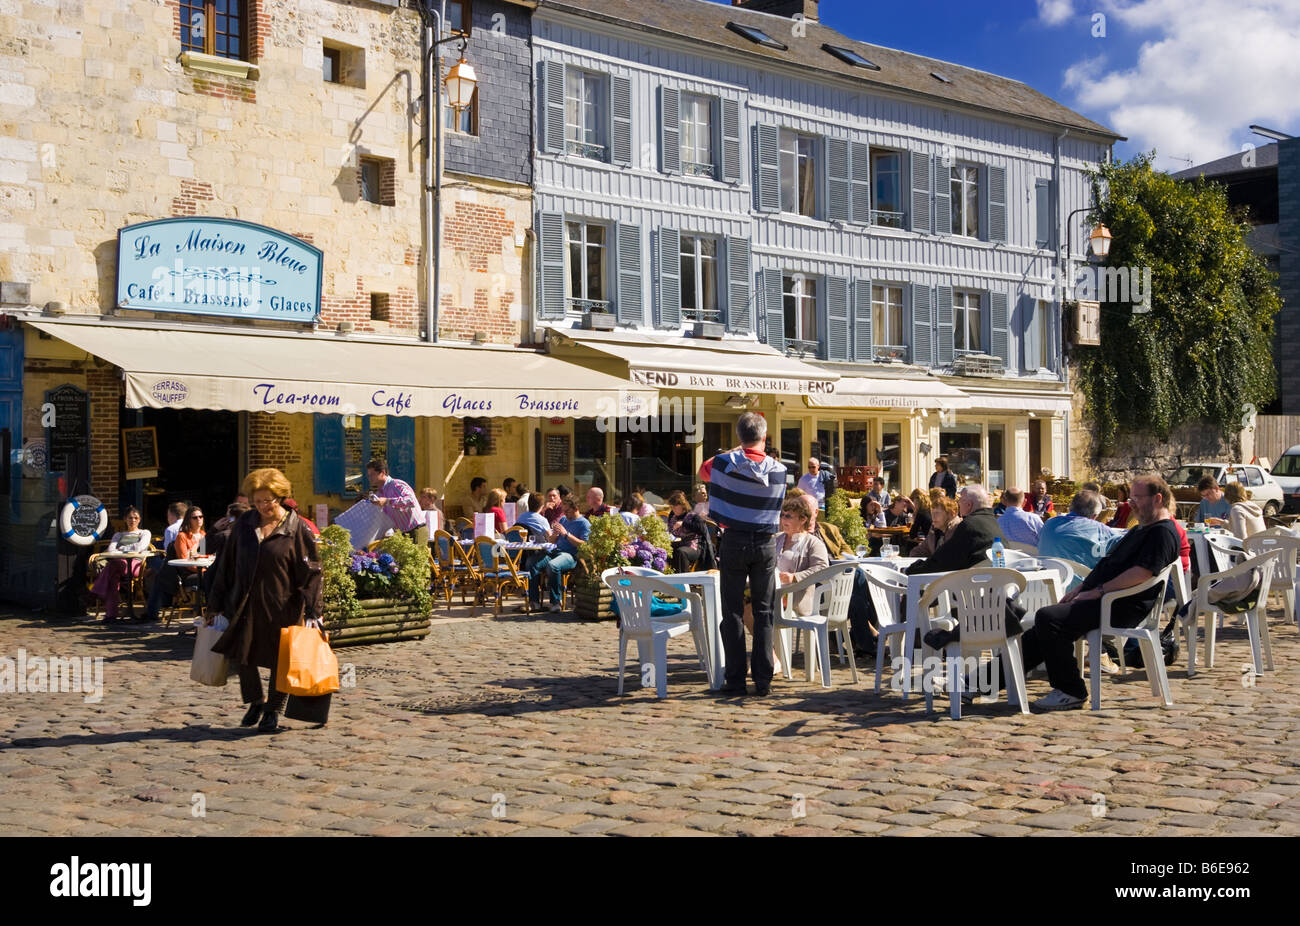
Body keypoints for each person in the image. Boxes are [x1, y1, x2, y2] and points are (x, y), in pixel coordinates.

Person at [1007, 474, 1180, 711]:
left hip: (1120, 604)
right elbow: (1108, 564)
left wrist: (1098, 591)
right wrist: (1080, 588)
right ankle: (981, 682)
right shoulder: (1141, 529)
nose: (1132, 504)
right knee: (1042, 627)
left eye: (1137, 498)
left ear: (1158, 498)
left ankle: (1071, 690)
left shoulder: (1162, 532)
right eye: (1131, 498)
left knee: (1050, 619)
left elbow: (1142, 573)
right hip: (1106, 598)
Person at [207, 468, 323, 734]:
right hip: (244, 601)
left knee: (281, 659)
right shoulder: (245, 525)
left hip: (283, 603)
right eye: (256, 501)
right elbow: (226, 565)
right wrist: (214, 604)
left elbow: (312, 570)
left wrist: (314, 610)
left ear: (280, 497)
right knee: (242, 655)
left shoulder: (297, 527)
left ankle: (273, 710)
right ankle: (256, 701)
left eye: (267, 501)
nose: (262, 507)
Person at [707, 412, 787, 697]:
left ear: (740, 438)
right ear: (764, 437)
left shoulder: (724, 464)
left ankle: (736, 679)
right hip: (765, 542)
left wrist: (736, 449)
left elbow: (704, 470)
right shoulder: (779, 470)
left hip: (734, 539)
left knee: (732, 611)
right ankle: (763, 679)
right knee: (764, 611)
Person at [744, 496, 829, 674]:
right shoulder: (776, 539)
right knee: (742, 607)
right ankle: (772, 656)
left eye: (789, 516)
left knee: (754, 610)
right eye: (782, 516)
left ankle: (767, 658)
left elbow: (822, 568)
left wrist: (795, 577)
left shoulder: (813, 543)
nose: (783, 520)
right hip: (770, 591)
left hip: (795, 597)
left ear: (803, 519)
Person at [905, 485, 999, 576]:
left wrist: (913, 569)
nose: (958, 503)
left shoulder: (969, 525)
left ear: (969, 505)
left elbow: (945, 561)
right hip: (993, 582)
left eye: (960, 500)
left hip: (968, 585)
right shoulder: (994, 523)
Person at [1037, 490, 1125, 573]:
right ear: (1095, 516)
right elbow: (1126, 542)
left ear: (1070, 508)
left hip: (1049, 582)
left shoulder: (1049, 523)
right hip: (1083, 586)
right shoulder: (1099, 529)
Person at [145, 505, 208, 621]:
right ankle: (206, 618)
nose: (199, 520)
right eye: (195, 518)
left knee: (217, 577)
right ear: (188, 520)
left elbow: (204, 555)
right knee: (211, 578)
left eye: (201, 517)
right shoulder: (182, 536)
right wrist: (203, 567)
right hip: (187, 573)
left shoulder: (203, 535)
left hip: (201, 570)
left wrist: (203, 560)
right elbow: (184, 559)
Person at [89, 507, 151, 622]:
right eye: (130, 518)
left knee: (111, 566)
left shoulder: (144, 533)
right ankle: (111, 616)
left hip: (136, 564)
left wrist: (121, 548)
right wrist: (126, 550)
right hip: (118, 564)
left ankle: (96, 592)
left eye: (135, 518)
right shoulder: (118, 535)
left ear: (139, 520)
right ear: (125, 519)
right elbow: (111, 550)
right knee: (113, 578)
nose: (133, 520)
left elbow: (139, 547)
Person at [528, 496, 589, 612]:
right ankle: (534, 602)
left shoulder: (584, 523)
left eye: (567, 511)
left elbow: (584, 545)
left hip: (570, 555)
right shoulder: (563, 520)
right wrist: (554, 534)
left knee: (553, 566)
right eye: (563, 511)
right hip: (555, 551)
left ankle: (556, 602)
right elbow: (552, 541)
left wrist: (566, 534)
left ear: (576, 508)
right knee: (532, 562)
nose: (565, 514)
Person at [366, 458, 424, 545]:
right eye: (369, 475)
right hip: (400, 534)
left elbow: (411, 501)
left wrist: (387, 501)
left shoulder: (397, 485)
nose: (370, 478)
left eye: (372, 474)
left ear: (383, 473)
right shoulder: (379, 493)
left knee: (417, 558)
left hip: (415, 530)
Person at [204, 501, 249, 595]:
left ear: (232, 519)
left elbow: (201, 549)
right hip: (244, 581)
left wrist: (214, 529)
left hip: (220, 581)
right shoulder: (253, 535)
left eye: (227, 516)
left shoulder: (224, 536)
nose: (225, 518)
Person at [665, 489, 710, 572]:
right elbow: (671, 530)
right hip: (683, 543)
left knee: (681, 552)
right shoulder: (673, 515)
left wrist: (684, 523)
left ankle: (684, 579)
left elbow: (701, 529)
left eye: (675, 507)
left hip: (695, 546)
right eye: (672, 507)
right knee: (667, 548)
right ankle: (671, 574)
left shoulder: (692, 515)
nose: (673, 509)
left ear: (682, 505)